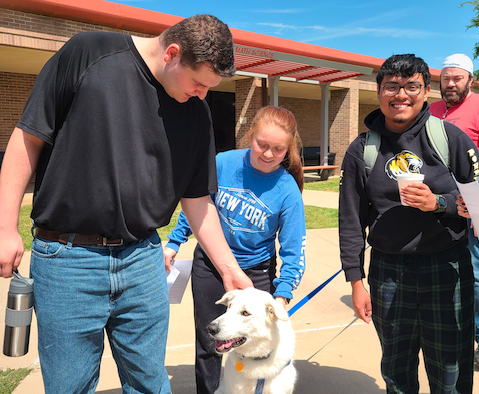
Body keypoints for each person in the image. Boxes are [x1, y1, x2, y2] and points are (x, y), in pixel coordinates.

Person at [0, 14, 253, 394]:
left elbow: (197, 199)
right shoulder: (88, 53)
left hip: (142, 261)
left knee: (150, 383)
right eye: (199, 83)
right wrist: (5, 228)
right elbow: (27, 139)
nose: (203, 95)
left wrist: (230, 270)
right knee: (70, 386)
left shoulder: (196, 111)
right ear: (172, 53)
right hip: (68, 260)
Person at [339, 54, 479, 393]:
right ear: (378, 92)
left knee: (450, 368)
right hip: (388, 272)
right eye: (392, 87)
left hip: (446, 268)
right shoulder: (362, 150)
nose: (401, 95)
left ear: (426, 91)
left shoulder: (451, 139)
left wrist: (439, 204)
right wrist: (356, 282)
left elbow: (477, 202)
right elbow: (351, 219)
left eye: (411, 86)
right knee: (397, 369)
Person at [163, 106, 306, 394]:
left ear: (288, 149)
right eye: (261, 144)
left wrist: (283, 294)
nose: (267, 154)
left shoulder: (287, 189)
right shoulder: (223, 163)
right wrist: (174, 242)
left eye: (278, 149)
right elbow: (198, 205)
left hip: (255, 273)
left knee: (253, 345)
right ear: (250, 136)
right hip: (210, 266)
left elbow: (294, 248)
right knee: (211, 342)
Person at [430, 53, 479, 363]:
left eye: (456, 78)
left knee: (475, 273)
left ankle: (475, 337)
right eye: (445, 78)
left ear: (470, 81)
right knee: (442, 269)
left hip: (472, 202)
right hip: (437, 206)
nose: (450, 83)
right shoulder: (431, 110)